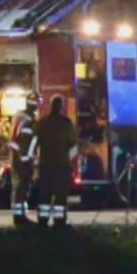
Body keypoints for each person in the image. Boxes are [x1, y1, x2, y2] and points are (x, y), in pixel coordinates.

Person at [33, 95, 79, 226]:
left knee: (44, 194)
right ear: (61, 107)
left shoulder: (42, 123)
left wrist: (35, 160)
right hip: (61, 166)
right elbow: (74, 147)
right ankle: (59, 221)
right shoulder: (66, 124)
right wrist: (67, 159)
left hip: (45, 166)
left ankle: (42, 220)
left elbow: (34, 144)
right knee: (60, 194)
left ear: (51, 106)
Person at [8, 95, 40, 227]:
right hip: (23, 158)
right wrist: (27, 158)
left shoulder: (19, 116)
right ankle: (20, 217)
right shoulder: (30, 120)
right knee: (23, 186)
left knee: (18, 186)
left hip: (14, 155)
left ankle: (18, 215)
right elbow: (26, 141)